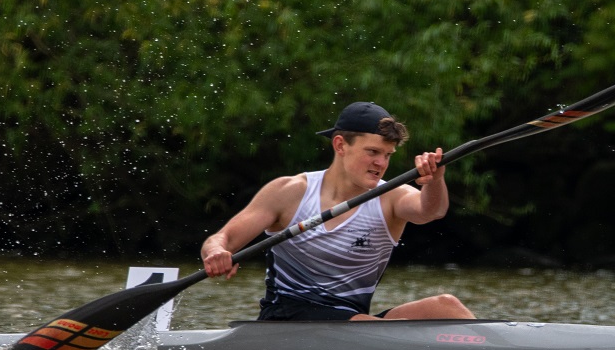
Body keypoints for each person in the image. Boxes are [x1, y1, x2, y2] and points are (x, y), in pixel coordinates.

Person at [200, 101, 476, 321]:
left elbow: (431, 211)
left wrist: (435, 179)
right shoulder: (290, 192)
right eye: (373, 152)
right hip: (287, 317)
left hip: (352, 320)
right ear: (340, 144)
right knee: (364, 326)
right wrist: (216, 254)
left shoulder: (391, 196)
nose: (381, 163)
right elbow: (222, 239)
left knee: (446, 306)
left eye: (387, 155)